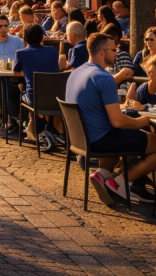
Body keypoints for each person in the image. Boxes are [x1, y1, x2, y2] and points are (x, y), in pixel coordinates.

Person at [66, 32, 156, 205]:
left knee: (125, 135)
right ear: (102, 52)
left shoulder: (75, 73)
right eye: (114, 50)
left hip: (79, 139)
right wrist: (142, 121)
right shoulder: (104, 78)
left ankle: (103, 175)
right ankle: (121, 183)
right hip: (99, 140)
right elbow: (118, 121)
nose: (117, 53)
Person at [13, 24, 62, 147]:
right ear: (42, 38)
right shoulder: (51, 50)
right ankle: (36, 127)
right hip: (54, 97)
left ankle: (31, 126)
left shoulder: (20, 53)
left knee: (23, 91)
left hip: (35, 99)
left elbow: (16, 74)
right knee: (30, 89)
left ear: (24, 38)